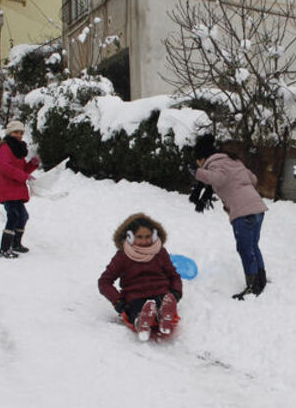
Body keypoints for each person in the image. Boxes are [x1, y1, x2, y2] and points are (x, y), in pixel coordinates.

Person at [192, 134, 268, 300]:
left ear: (202, 159)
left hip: (243, 212)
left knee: (245, 249)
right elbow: (253, 179)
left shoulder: (214, 164)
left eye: (198, 161)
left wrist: (197, 172)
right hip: (257, 208)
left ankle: (253, 286)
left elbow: (217, 179)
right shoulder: (233, 160)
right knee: (253, 246)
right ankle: (260, 280)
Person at [98, 213, 182, 340]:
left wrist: (176, 292)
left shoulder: (160, 252)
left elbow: (173, 275)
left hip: (160, 292)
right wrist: (118, 301)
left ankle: (165, 317)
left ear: (154, 235)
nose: (144, 241)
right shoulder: (123, 256)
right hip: (135, 296)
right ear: (130, 237)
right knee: (136, 309)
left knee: (163, 302)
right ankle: (141, 321)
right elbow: (104, 282)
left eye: (148, 236)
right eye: (140, 237)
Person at [0, 120, 41, 258]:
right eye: (16, 132)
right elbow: (6, 168)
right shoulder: (4, 148)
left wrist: (32, 164)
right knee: (13, 216)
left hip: (17, 190)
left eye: (21, 132)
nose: (19, 135)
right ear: (9, 132)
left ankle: (16, 244)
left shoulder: (17, 148)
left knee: (23, 217)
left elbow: (21, 169)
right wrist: (24, 176)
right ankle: (4, 249)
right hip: (8, 190)